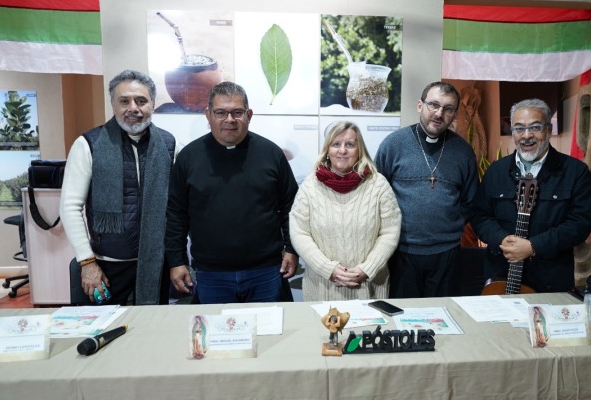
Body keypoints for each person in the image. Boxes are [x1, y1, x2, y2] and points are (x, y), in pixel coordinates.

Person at [166, 82, 299, 303]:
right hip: (211, 274)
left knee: (270, 336)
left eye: (237, 112)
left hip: (266, 271)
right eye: (221, 113)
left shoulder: (271, 154)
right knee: (216, 336)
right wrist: (177, 261)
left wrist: (292, 249)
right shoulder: (189, 158)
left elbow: (291, 207)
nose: (229, 119)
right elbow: (175, 214)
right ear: (208, 115)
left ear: (249, 115)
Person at [61, 70, 178, 306]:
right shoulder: (89, 144)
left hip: (154, 263)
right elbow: (70, 207)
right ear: (113, 104)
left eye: (141, 101)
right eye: (124, 101)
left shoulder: (168, 144)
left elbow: (176, 208)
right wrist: (87, 262)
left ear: (152, 104)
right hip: (105, 266)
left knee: (150, 331)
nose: (133, 108)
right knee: (102, 333)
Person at [471, 98, 591, 293]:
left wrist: (534, 246)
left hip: (551, 280)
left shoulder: (575, 172)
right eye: (519, 129)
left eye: (535, 127)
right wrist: (501, 239)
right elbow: (480, 215)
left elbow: (580, 224)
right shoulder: (496, 171)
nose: (526, 135)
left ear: (549, 129)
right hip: (500, 277)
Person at [375, 81, 478, 298]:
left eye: (448, 109)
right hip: (400, 251)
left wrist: (449, 226)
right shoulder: (393, 144)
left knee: (443, 316)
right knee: (402, 316)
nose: (439, 113)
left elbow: (470, 201)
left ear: (454, 114)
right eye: (434, 105)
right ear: (420, 105)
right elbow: (376, 196)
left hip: (446, 254)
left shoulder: (463, 152)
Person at [290, 121, 401, 301]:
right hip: (322, 289)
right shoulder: (310, 186)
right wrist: (328, 269)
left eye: (350, 144)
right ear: (328, 150)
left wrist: (367, 269)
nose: (342, 150)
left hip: (369, 288)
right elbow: (299, 232)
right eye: (336, 144)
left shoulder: (378, 184)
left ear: (359, 150)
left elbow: (390, 231)